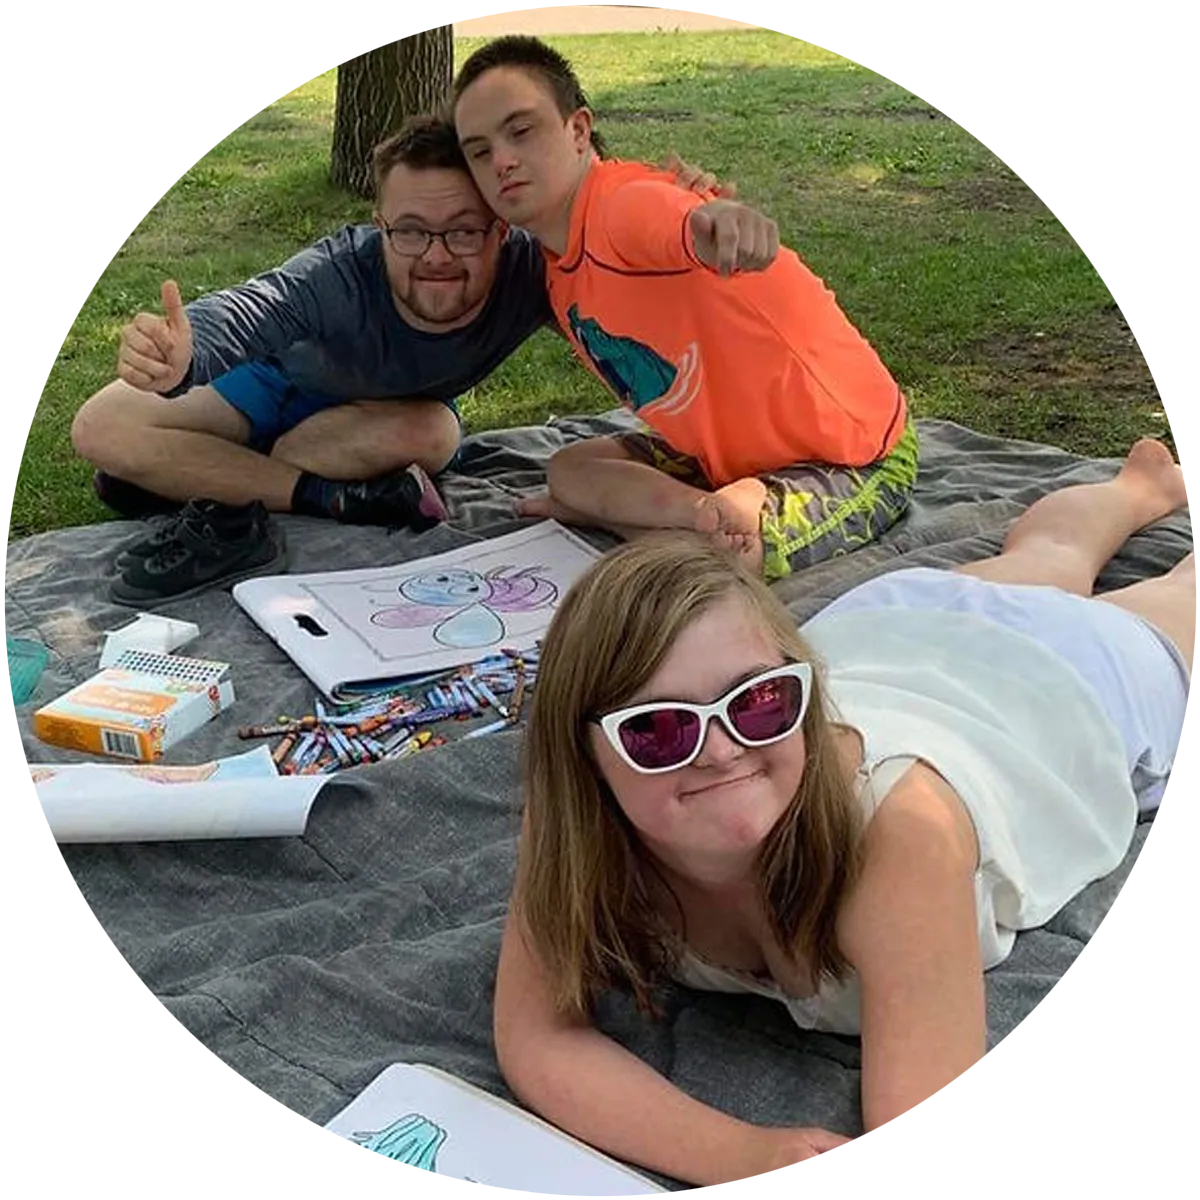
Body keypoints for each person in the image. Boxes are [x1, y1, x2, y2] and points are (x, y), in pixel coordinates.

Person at [496, 438, 1193, 1187]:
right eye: (658, 730)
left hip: (1051, 684)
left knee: (1171, 597)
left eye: (759, 702)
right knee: (1046, 558)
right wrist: (738, 1154)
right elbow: (536, 1034)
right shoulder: (578, 825)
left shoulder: (899, 835)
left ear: (800, 688)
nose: (721, 751)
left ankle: (1137, 493)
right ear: (585, 756)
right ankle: (1137, 488)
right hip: (886, 628)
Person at [70, 116, 773, 602]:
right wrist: (184, 351)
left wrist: (683, 219)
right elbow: (251, 308)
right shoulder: (337, 274)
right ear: (379, 226)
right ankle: (316, 494)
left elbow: (623, 268)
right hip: (269, 386)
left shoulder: (533, 272)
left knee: (434, 434)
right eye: (409, 231)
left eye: (463, 232)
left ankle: (211, 479)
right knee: (101, 426)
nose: (435, 256)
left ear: (500, 230)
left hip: (376, 425)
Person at [452, 36, 920, 581]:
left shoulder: (620, 205)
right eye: (479, 151)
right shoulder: (554, 264)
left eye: (521, 131)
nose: (502, 161)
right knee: (570, 470)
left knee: (727, 562)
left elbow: (676, 220)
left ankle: (669, 527)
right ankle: (698, 516)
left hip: (851, 455)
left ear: (578, 130)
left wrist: (720, 221)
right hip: (721, 469)